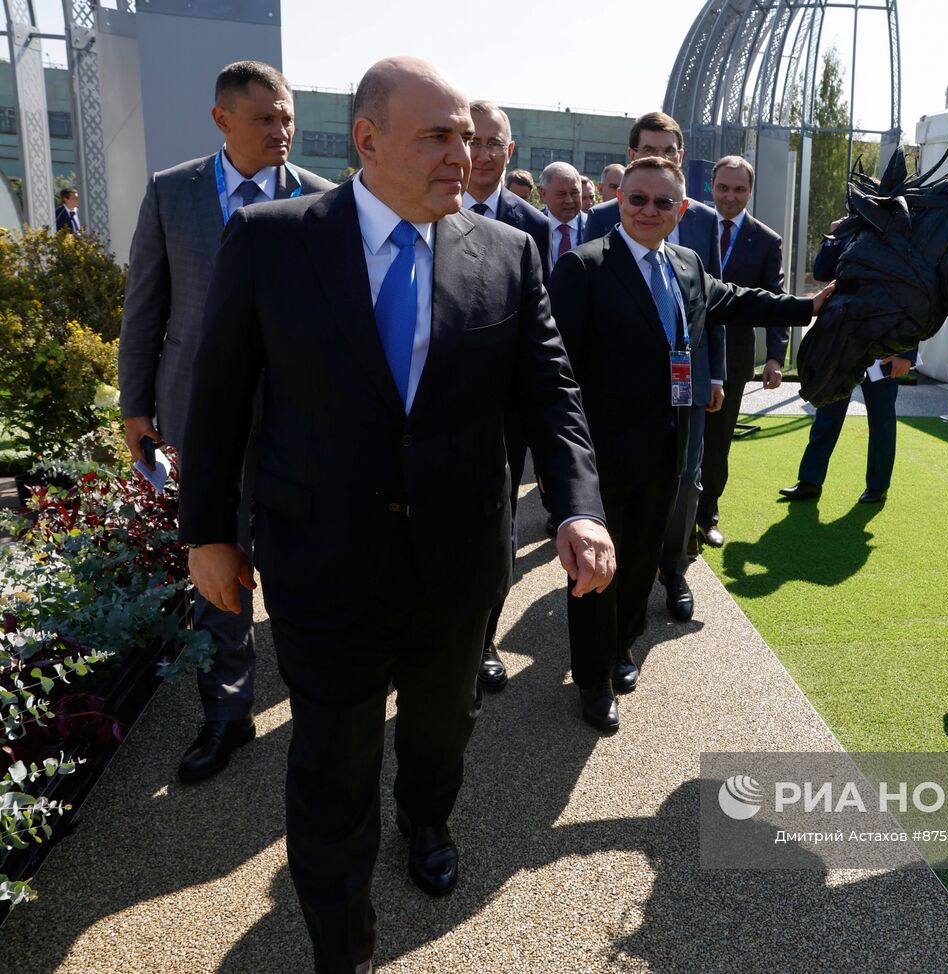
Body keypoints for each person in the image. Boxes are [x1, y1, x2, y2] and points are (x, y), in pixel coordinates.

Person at [177, 56, 613, 974]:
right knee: (331, 769)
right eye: (439, 137)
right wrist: (207, 533)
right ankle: (345, 946)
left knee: (439, 733)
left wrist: (578, 509)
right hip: (322, 563)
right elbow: (216, 399)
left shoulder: (509, 253)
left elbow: (553, 394)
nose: (465, 155)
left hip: (457, 568)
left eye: (467, 136)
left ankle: (427, 819)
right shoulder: (270, 239)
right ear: (368, 141)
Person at [550, 155, 825, 733]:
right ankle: (593, 678)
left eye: (662, 202)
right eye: (637, 199)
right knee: (596, 569)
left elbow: (742, 300)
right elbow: (560, 376)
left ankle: (624, 647)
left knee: (642, 559)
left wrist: (807, 306)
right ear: (620, 201)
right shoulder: (584, 267)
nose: (649, 210)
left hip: (668, 450)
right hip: (602, 456)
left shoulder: (688, 265)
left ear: (681, 209)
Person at [117, 60, 334, 786]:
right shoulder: (171, 193)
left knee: (303, 561)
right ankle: (225, 714)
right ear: (222, 121)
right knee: (214, 559)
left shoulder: (321, 202)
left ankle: (319, 701)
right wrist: (135, 409)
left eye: (287, 119)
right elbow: (144, 307)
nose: (281, 131)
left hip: (291, 422)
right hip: (193, 417)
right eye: (265, 119)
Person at [581, 111, 724, 623]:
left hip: (685, 393)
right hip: (619, 408)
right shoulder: (598, 229)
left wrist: (715, 375)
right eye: (648, 149)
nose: (650, 209)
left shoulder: (701, 223)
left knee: (682, 486)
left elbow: (715, 303)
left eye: (668, 150)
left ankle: (674, 571)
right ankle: (610, 607)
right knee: (623, 506)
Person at [463, 100, 554, 693]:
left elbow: (538, 328)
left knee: (499, 527)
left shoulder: (534, 227)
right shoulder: (425, 205)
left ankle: (485, 638)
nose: (485, 154)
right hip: (432, 404)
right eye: (476, 141)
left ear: (511, 151)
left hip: (505, 408)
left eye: (497, 144)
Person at [779, 224, 917, 504]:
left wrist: (907, 353)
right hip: (841, 345)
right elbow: (820, 273)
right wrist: (834, 238)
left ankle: (878, 486)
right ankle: (809, 481)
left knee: (881, 418)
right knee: (827, 415)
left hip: (883, 346)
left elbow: (914, 297)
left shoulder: (900, 239)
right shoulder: (845, 236)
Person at [696, 156, 788, 547]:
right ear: (711, 187)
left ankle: (707, 515)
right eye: (722, 187)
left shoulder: (767, 240)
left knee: (718, 439)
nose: (729, 196)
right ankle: (671, 517)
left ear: (750, 191)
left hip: (734, 356)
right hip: (684, 351)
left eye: (738, 189)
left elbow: (774, 300)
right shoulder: (687, 225)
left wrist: (774, 356)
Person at [539, 160, 586, 265]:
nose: (569, 200)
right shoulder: (530, 226)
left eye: (575, 193)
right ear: (543, 194)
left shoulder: (594, 227)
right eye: (562, 194)